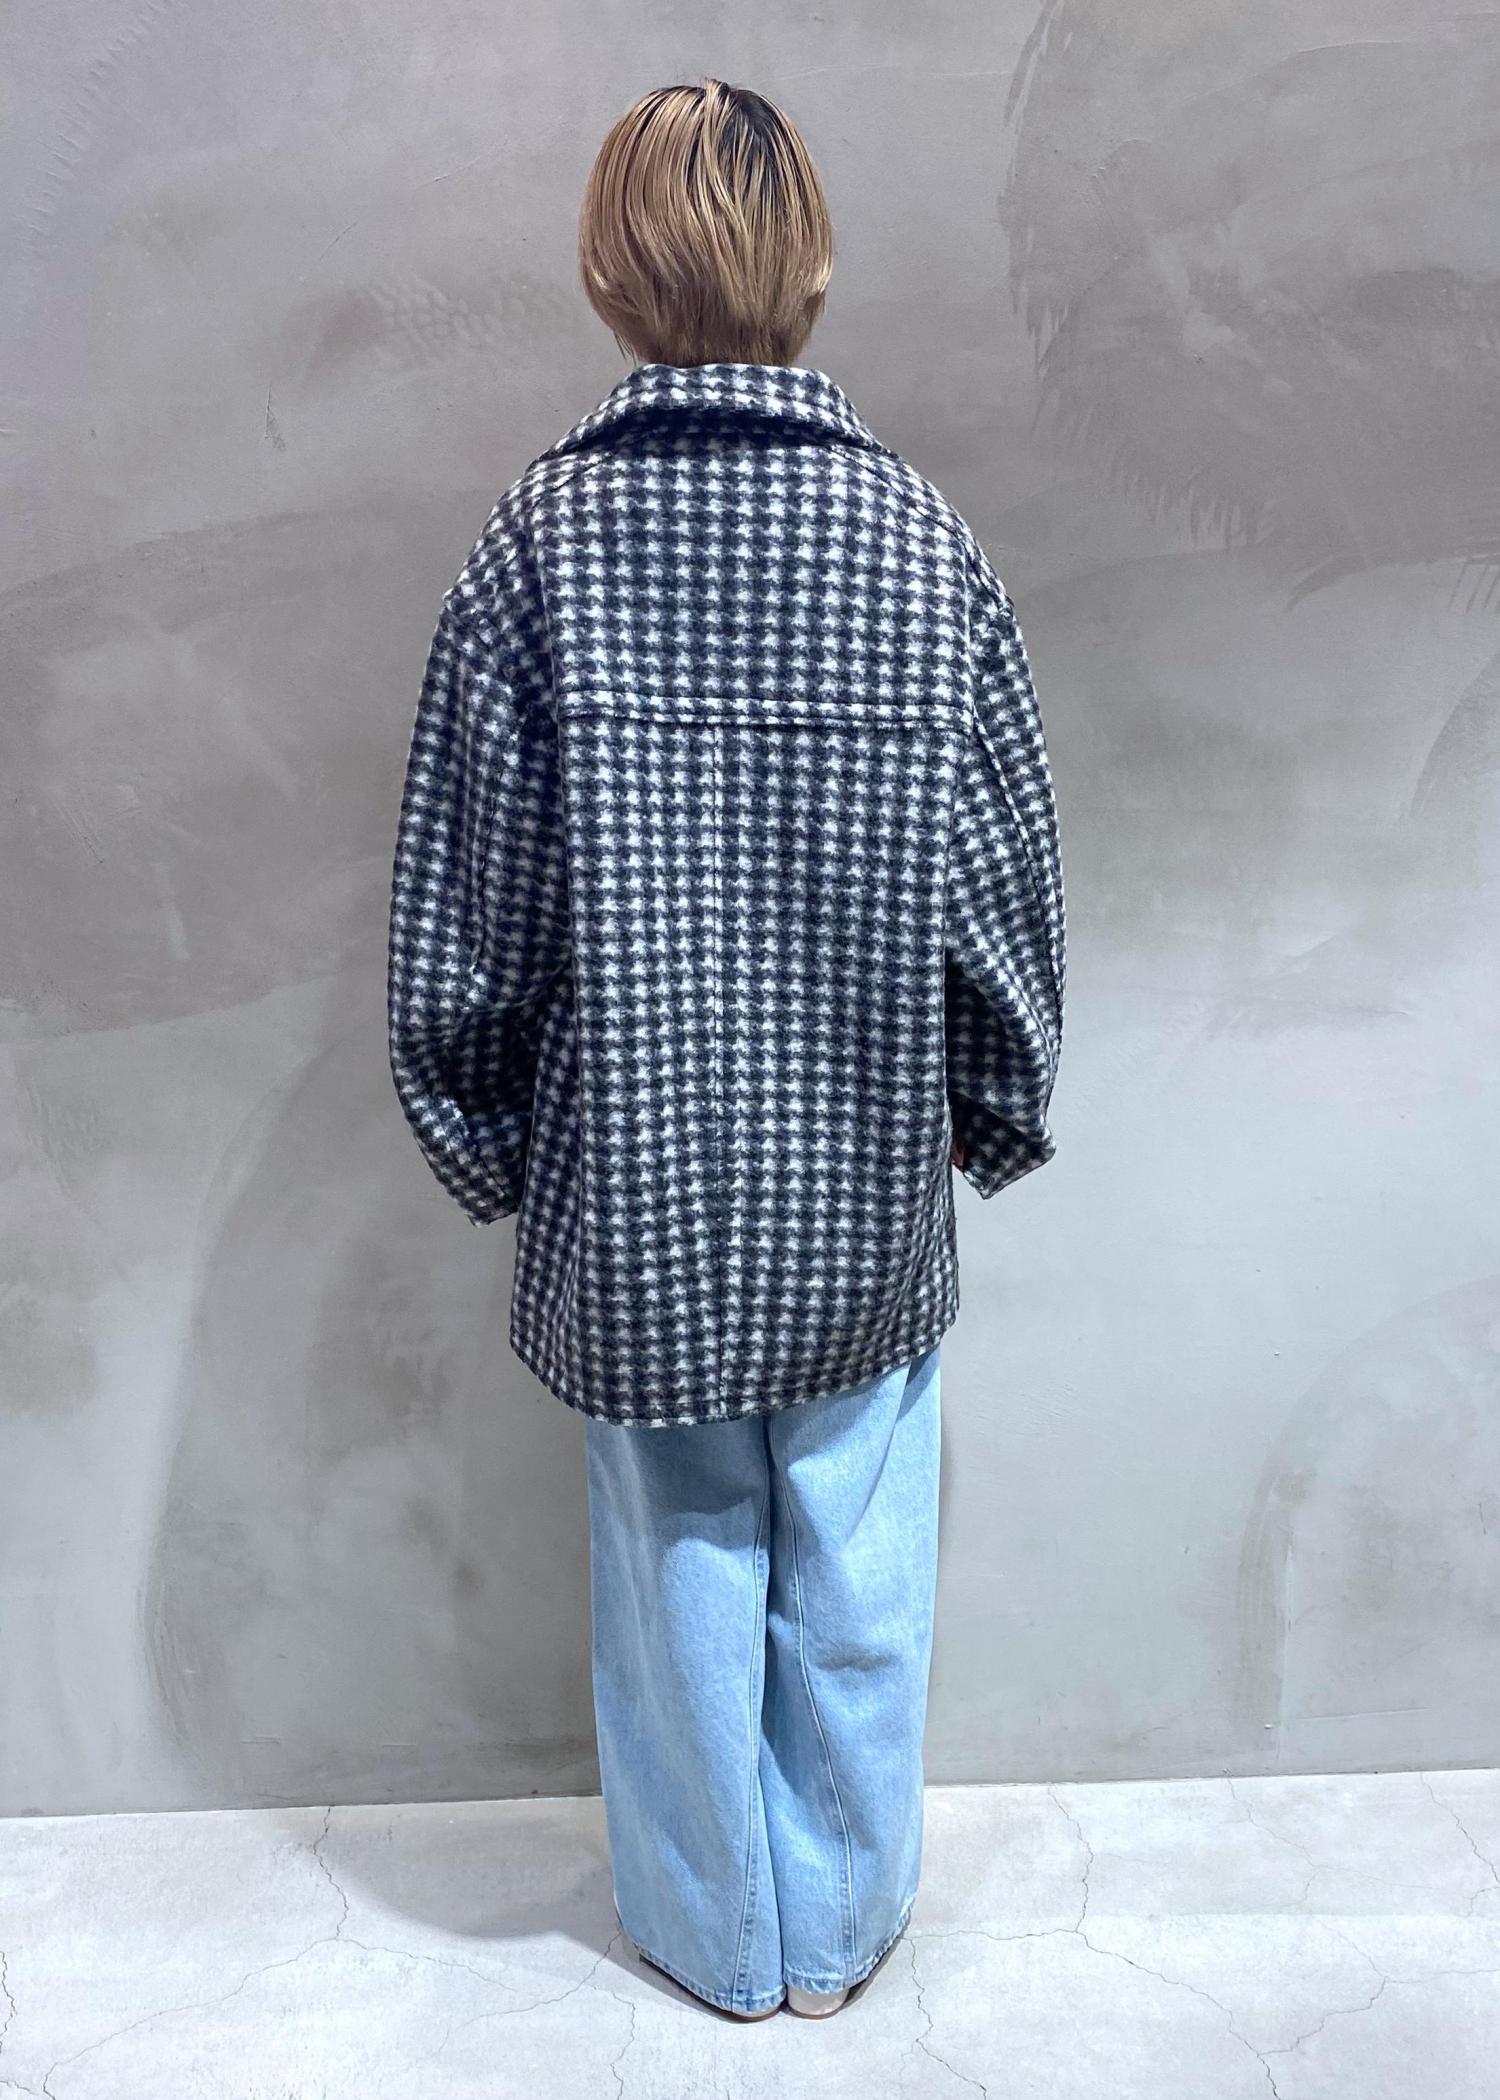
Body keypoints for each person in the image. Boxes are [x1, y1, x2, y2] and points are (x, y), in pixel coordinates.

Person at [385, 77, 1065, 2022]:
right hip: (859, 1172)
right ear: (811, 262)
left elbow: (468, 892)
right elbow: (1003, 873)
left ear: (610, 268)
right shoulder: (914, 540)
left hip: (638, 1185)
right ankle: (841, 1938)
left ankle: (714, 1942)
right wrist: (996, 1100)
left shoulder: (542, 545)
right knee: (860, 1553)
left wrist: (477, 1122)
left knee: (674, 1556)